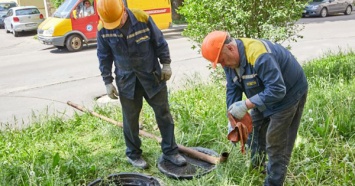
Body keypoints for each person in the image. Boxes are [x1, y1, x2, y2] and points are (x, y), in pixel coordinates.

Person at [201, 31, 308, 186]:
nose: (223, 65)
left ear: (230, 48)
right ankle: (257, 169)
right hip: (263, 92)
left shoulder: (259, 55)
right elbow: (233, 88)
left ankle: (273, 182)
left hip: (288, 95)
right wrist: (232, 118)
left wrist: (246, 105)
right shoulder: (229, 61)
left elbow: (278, 89)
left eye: (222, 60)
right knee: (254, 133)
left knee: (276, 142)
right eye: (219, 63)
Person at [96, 0, 187, 169]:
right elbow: (104, 56)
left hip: (152, 76)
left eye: (119, 20)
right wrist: (107, 81)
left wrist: (166, 63)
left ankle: (171, 151)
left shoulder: (142, 18)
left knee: (163, 114)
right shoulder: (103, 28)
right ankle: (133, 154)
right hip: (126, 81)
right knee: (130, 119)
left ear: (124, 10)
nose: (117, 25)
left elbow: (159, 42)